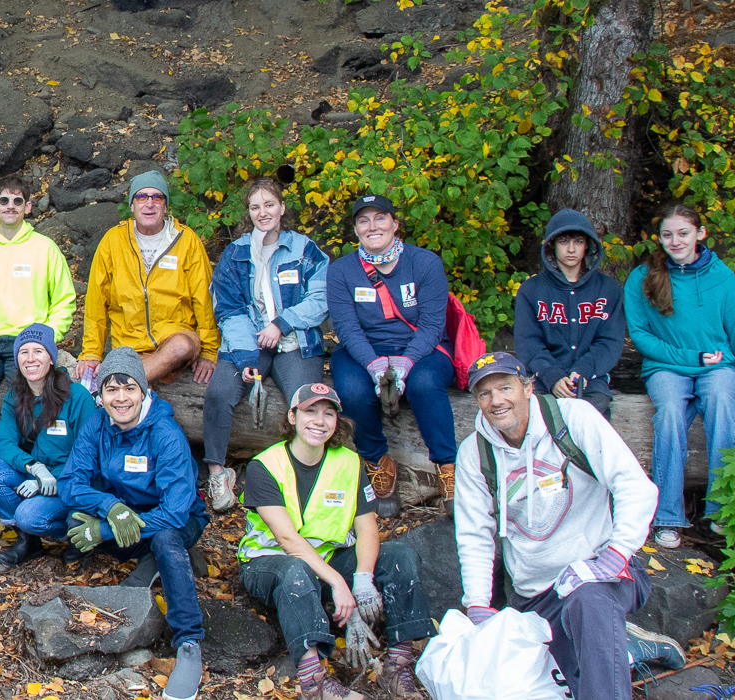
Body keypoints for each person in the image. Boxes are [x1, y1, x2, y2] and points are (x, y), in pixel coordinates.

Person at [454, 352, 679, 700]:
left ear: (528, 387)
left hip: (597, 575)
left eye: (505, 387)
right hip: (534, 595)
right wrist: (478, 604)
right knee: (565, 683)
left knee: (590, 611)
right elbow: (474, 533)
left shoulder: (573, 419)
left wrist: (615, 554)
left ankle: (610, 644)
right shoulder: (474, 453)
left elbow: (635, 486)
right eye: (484, 394)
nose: (497, 400)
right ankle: (630, 647)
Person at [235, 383, 429, 700]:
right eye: (310, 411)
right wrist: (340, 583)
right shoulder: (265, 466)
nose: (320, 420)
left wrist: (363, 579)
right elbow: (287, 540)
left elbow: (367, 529)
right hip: (268, 565)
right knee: (294, 569)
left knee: (400, 555)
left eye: (328, 413)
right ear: (293, 416)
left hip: (324, 562)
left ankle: (398, 667)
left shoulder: (349, 463)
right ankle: (315, 683)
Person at [56, 346, 208, 700]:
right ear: (102, 394)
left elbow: (175, 511)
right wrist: (110, 507)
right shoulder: (98, 424)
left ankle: (188, 643)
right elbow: (70, 483)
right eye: (112, 389)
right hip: (125, 511)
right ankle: (148, 561)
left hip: (173, 519)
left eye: (129, 388)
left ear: (143, 391)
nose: (121, 398)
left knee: (167, 540)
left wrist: (106, 529)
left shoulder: (165, 433)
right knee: (74, 517)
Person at [625, 203, 735, 549]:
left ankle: (720, 509)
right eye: (667, 234)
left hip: (718, 368)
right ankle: (668, 515)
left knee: (723, 402)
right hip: (667, 368)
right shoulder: (642, 278)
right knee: (669, 415)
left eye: (683, 233)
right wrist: (689, 357)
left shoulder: (721, 278)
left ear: (700, 234)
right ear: (659, 237)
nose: (675, 241)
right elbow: (641, 335)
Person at [200, 178, 330, 511]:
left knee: (308, 402)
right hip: (249, 342)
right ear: (249, 213)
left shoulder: (304, 250)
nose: (263, 213)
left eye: (269, 204)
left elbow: (321, 298)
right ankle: (218, 473)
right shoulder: (236, 253)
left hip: (294, 341)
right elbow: (227, 309)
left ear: (282, 208)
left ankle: (307, 477)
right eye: (255, 207)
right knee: (218, 394)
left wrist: (281, 323)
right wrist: (245, 357)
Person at [325, 194, 457, 515]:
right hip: (364, 351)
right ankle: (378, 463)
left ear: (395, 224)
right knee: (352, 389)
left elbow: (432, 325)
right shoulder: (341, 271)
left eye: (380, 218)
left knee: (425, 383)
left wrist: (404, 364)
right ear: (355, 230)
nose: (373, 227)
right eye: (363, 221)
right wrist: (373, 366)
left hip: (421, 348)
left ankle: (448, 470)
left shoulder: (425, 263)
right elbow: (347, 328)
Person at [0, 175, 77, 457]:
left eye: (17, 201)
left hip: (27, 338)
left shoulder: (45, 248)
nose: (11, 206)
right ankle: (3, 456)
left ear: (28, 207)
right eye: (4, 201)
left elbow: (64, 299)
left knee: (27, 394)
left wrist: (48, 337)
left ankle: (34, 454)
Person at [78, 169, 219, 389]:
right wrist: (92, 352)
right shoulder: (113, 241)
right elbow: (96, 300)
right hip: (128, 343)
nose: (149, 203)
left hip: (173, 339)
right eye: (142, 197)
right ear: (132, 206)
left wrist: (210, 351)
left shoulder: (187, 240)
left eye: (157, 197)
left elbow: (204, 299)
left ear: (165, 205)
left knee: (181, 346)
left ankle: (114, 386)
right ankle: (137, 383)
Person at [0, 324, 99, 568]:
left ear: (51, 358)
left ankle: (76, 533)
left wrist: (54, 478)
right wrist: (34, 468)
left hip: (71, 482)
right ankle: (28, 540)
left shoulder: (77, 397)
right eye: (24, 352)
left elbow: (90, 457)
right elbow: (4, 444)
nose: (30, 359)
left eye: (38, 351)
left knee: (28, 515)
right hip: (38, 472)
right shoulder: (16, 396)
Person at [515, 209, 626, 418]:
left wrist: (584, 371)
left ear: (588, 245)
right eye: (564, 241)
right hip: (543, 380)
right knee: (539, 416)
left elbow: (609, 341)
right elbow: (529, 343)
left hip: (590, 381)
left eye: (579, 241)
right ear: (552, 246)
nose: (572, 249)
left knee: (589, 416)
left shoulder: (608, 290)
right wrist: (553, 376)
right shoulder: (531, 290)